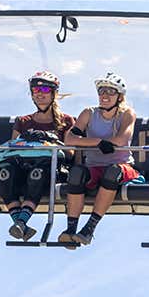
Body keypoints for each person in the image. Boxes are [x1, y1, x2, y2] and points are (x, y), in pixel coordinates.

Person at [59, 71, 140, 247]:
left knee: (112, 173)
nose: (105, 95)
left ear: (119, 96)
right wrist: (98, 142)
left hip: (122, 166)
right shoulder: (89, 113)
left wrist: (87, 143)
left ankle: (89, 229)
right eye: (102, 91)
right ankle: (71, 230)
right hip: (94, 166)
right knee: (76, 174)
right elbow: (70, 139)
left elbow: (121, 140)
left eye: (111, 92)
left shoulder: (127, 114)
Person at [0, 70, 75, 240]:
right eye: (35, 91)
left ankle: (20, 222)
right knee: (5, 173)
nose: (40, 95)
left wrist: (50, 139)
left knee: (37, 174)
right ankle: (21, 223)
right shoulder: (23, 121)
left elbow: (71, 153)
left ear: (54, 93)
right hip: (22, 167)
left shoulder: (66, 121)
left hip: (50, 169)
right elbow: (12, 151)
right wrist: (26, 138)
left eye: (45, 90)